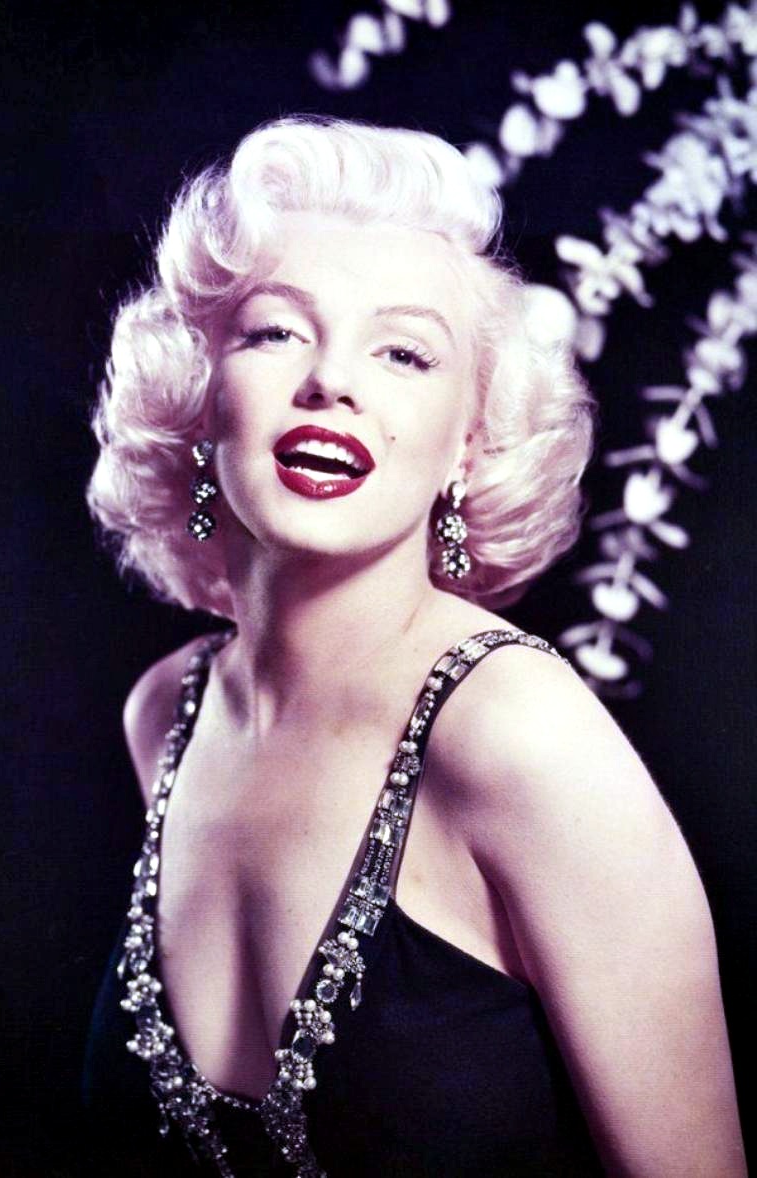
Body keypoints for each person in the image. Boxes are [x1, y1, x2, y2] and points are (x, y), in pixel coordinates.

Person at [82, 115, 746, 1177]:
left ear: (466, 446)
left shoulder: (518, 735)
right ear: (199, 397)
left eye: (403, 351)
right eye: (275, 332)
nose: (332, 381)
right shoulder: (167, 711)